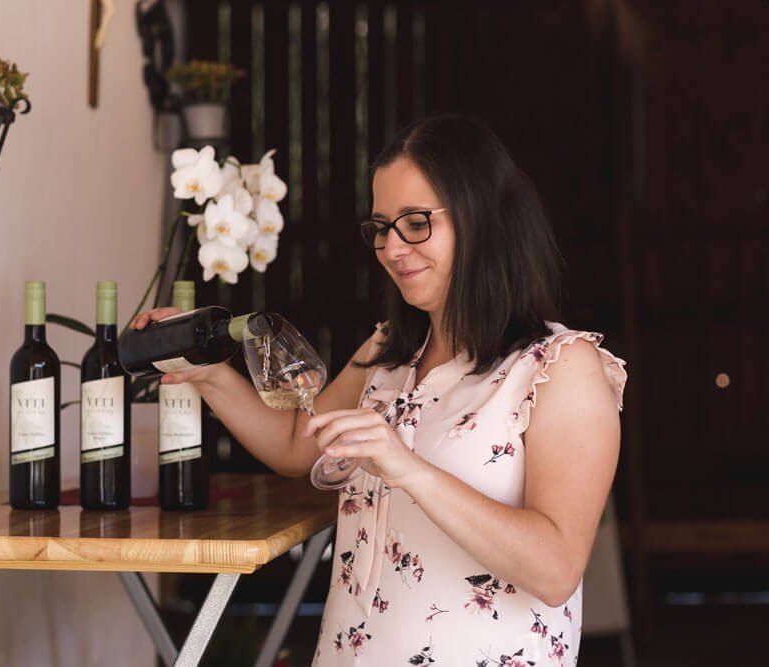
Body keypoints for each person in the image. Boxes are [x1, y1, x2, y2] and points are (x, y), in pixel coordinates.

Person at [131, 112, 627, 666]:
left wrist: (407, 468)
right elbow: (296, 443)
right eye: (381, 228)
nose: (392, 248)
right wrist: (208, 373)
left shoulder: (562, 367)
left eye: (415, 223)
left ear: (483, 218)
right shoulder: (390, 350)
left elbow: (556, 570)